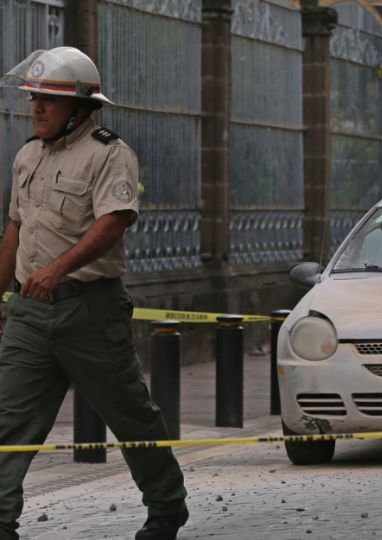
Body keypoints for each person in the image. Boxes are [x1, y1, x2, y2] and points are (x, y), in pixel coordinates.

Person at [0, 47, 188, 539]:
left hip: (91, 311)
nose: (36, 109)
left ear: (80, 109)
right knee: (8, 423)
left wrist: (57, 270)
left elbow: (113, 223)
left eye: (48, 101)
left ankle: (166, 507)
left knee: (131, 416)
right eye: (34, 99)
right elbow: (14, 230)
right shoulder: (27, 156)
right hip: (30, 314)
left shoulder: (109, 154)